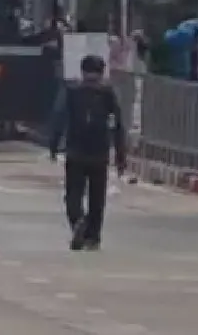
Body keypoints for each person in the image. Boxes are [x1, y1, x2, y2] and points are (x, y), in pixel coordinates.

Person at [47, 54, 128, 251]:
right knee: (97, 197)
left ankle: (78, 221)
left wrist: (54, 145)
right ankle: (93, 237)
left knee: (73, 193)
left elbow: (59, 117)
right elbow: (118, 126)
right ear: (102, 72)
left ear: (82, 71)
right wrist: (120, 156)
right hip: (99, 153)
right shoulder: (108, 94)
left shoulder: (72, 91)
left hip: (76, 151)